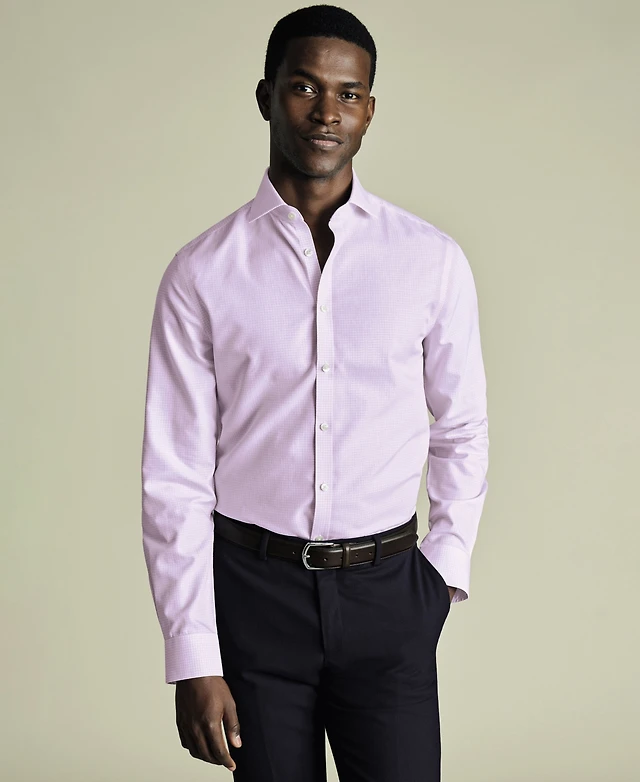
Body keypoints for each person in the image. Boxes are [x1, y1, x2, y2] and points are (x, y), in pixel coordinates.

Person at [141, 4, 489, 781]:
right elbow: (175, 473)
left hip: (390, 594)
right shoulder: (201, 273)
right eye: (304, 87)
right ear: (266, 97)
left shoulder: (429, 260)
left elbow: (462, 428)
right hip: (253, 599)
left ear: (369, 109)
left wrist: (443, 572)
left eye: (348, 93)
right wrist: (192, 655)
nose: (327, 112)